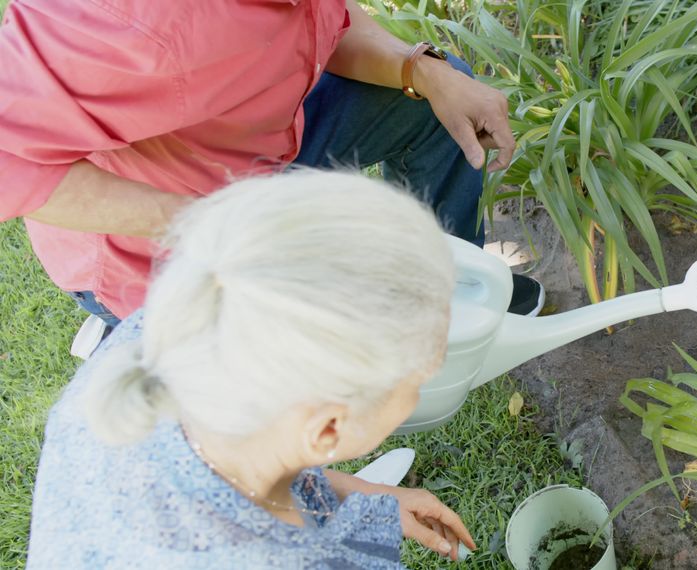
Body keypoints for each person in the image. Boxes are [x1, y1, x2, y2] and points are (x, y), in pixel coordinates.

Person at [0, 0, 543, 346]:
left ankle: (445, 293)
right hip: (165, 236)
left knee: (433, 101)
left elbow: (323, 21)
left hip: (260, 139)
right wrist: (207, 223)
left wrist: (419, 71)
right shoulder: (131, 21)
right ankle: (131, 336)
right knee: (277, 399)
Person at [27, 170, 477, 568]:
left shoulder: (188, 327)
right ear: (326, 431)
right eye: (417, 381)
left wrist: (356, 495)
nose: (419, 389)